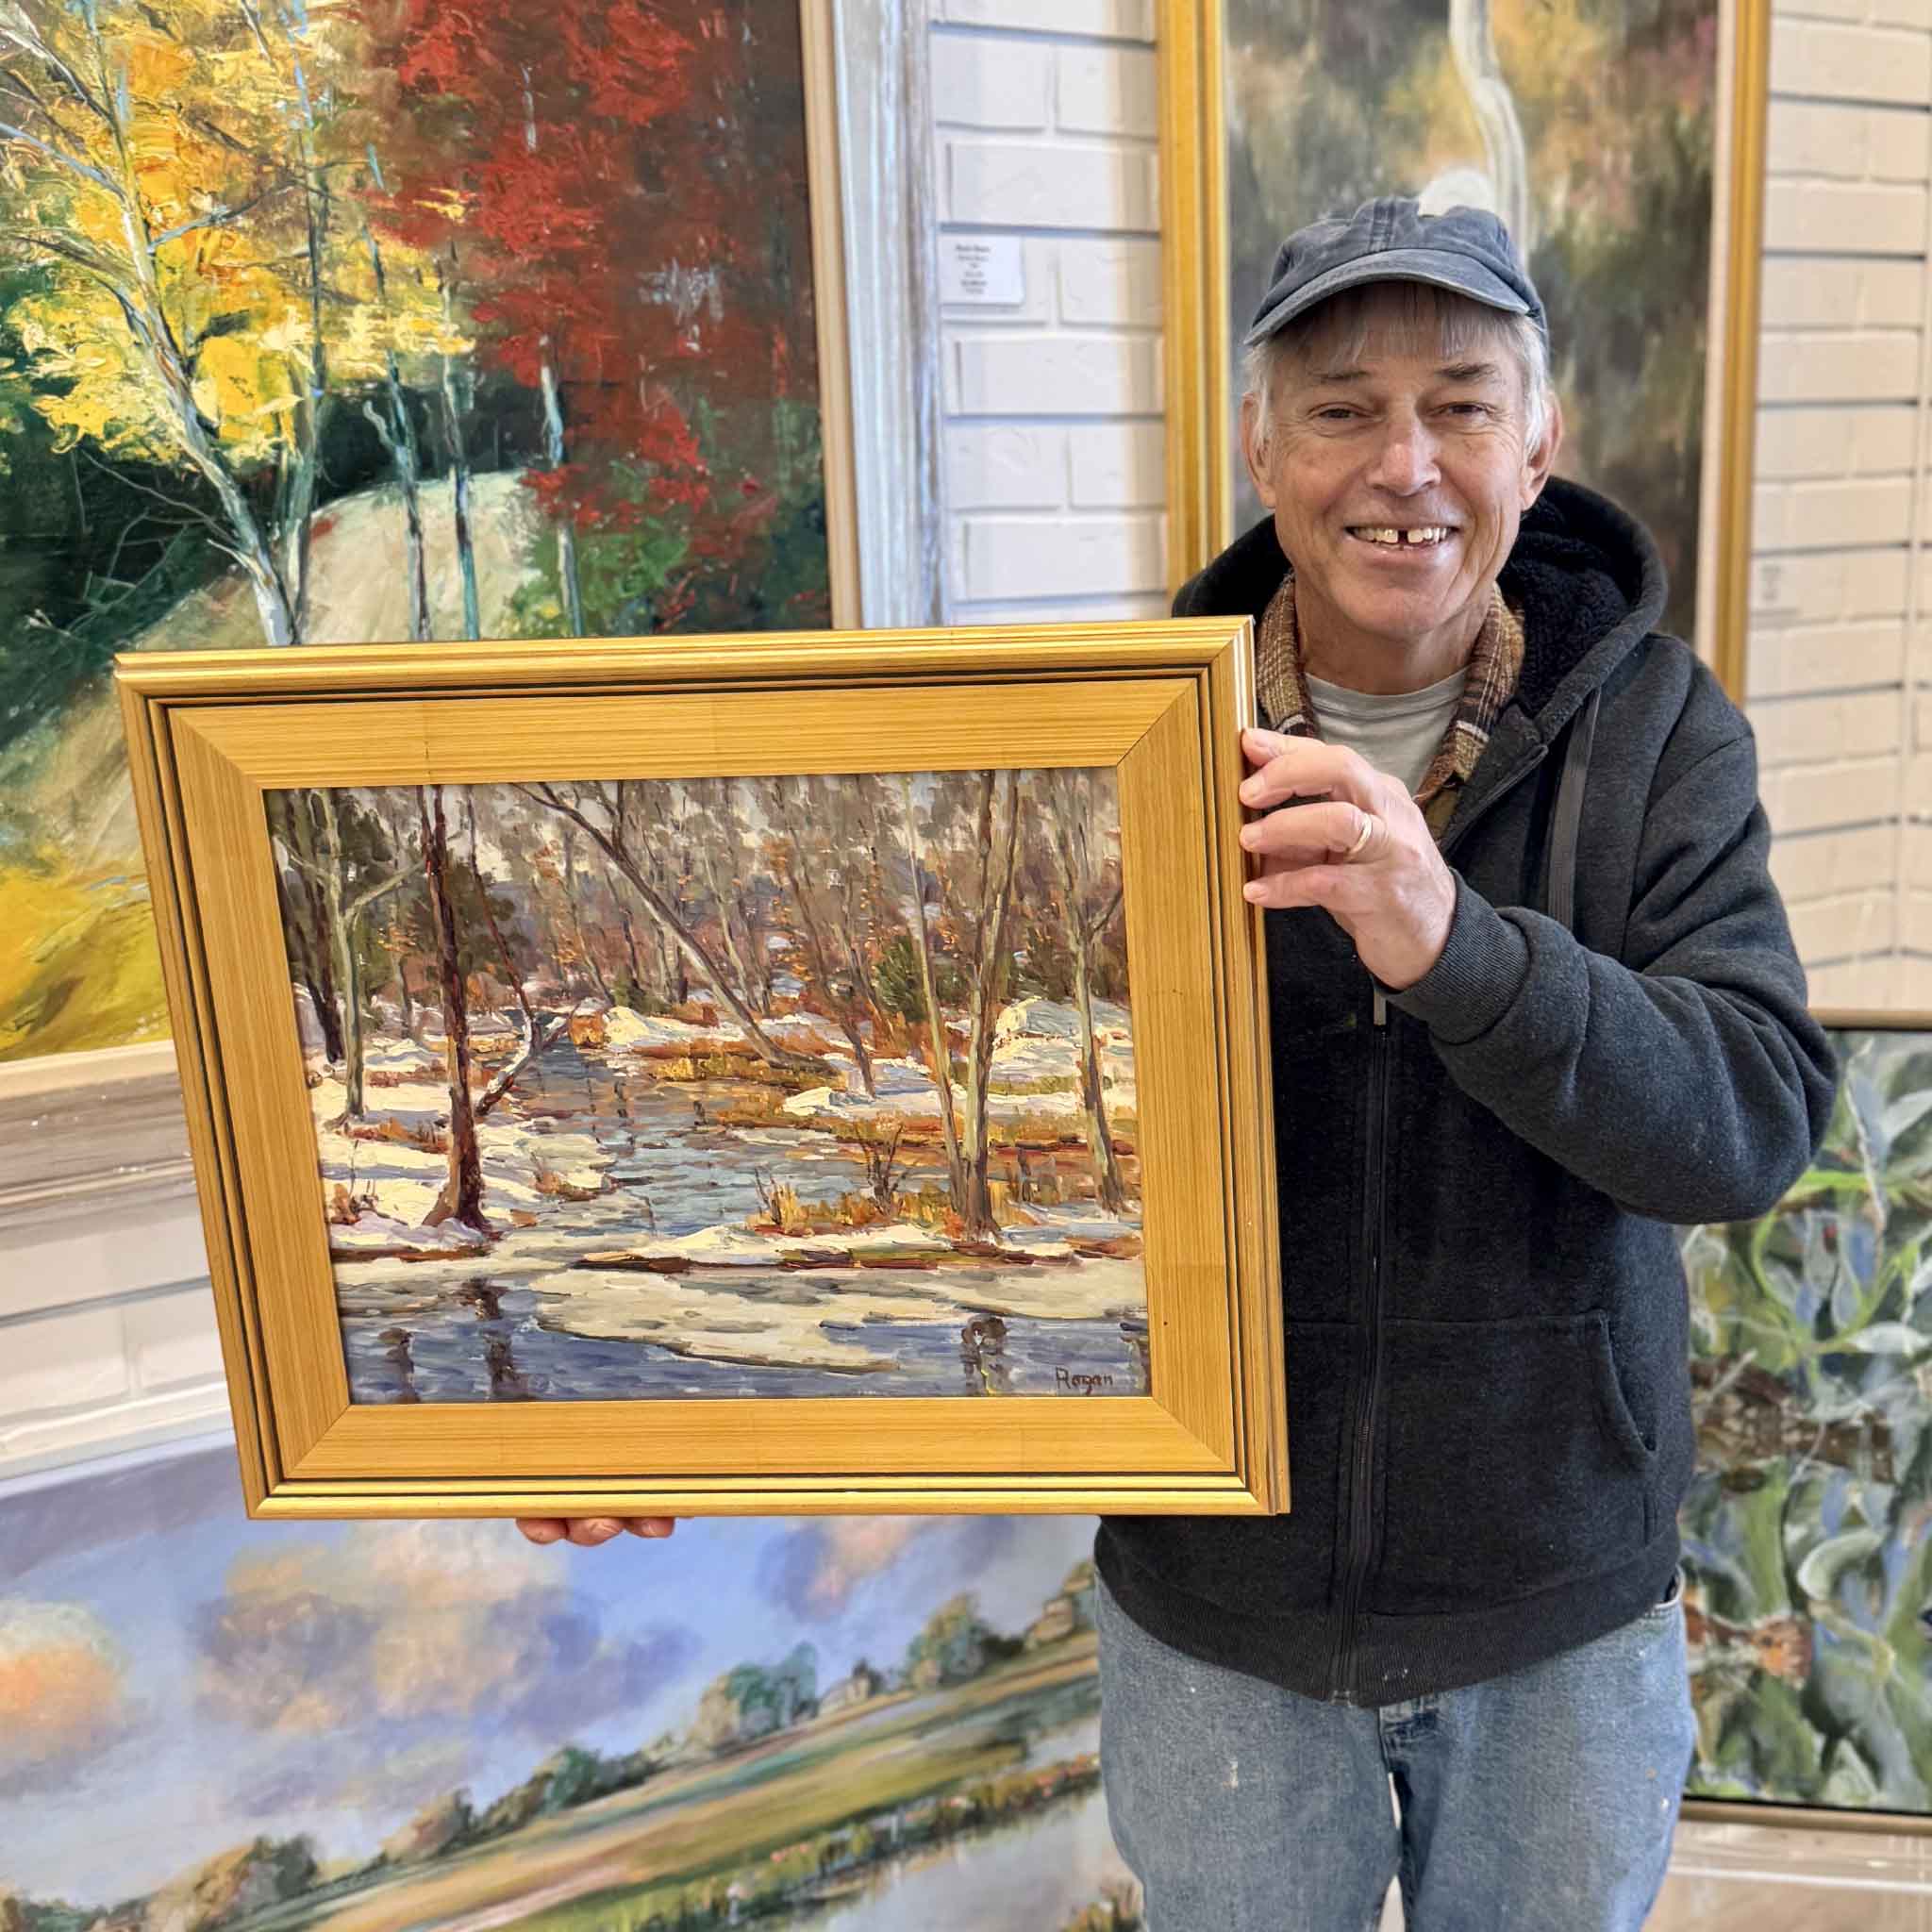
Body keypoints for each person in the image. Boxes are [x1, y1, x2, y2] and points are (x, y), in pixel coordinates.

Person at [518, 199, 1837, 1930]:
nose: (1405, 465)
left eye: (1458, 402)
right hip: (1217, 1617)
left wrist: (1451, 937)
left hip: (1559, 1607)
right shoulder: (1113, 749)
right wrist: (624, 1414)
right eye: (1343, 407)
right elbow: (915, 1175)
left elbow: (1746, 1126)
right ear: (1260, 449)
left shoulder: (1662, 728)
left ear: (1539, 445)